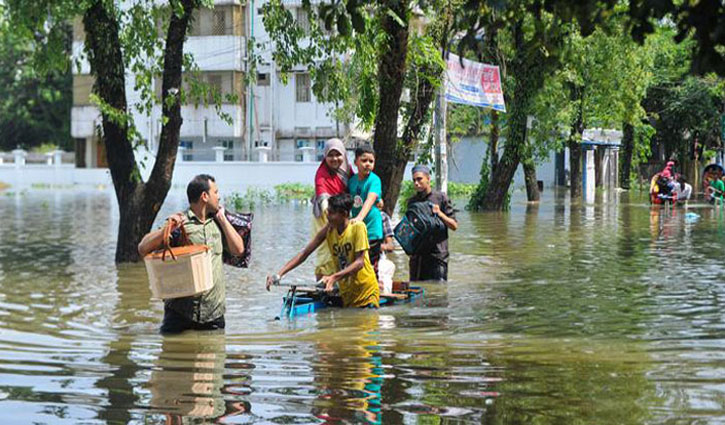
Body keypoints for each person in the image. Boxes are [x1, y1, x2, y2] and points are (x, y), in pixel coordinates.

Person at [138, 174, 245, 334]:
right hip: (180, 314)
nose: (219, 197)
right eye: (216, 192)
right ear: (205, 196)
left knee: (214, 357)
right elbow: (142, 248)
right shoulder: (179, 223)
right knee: (173, 356)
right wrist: (165, 231)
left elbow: (238, 250)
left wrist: (224, 221)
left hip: (213, 314)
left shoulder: (219, 223)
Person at [266, 193, 380, 309]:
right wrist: (279, 274)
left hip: (366, 293)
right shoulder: (329, 230)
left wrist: (334, 277)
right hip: (348, 295)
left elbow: (359, 262)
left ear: (344, 214)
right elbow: (304, 254)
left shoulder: (358, 228)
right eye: (328, 212)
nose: (328, 216)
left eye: (332, 213)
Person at [406, 165, 458, 281]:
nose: (416, 183)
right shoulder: (412, 202)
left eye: (419, 179)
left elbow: (454, 225)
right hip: (417, 257)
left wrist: (439, 213)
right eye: (414, 180)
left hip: (438, 256)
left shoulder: (441, 198)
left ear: (428, 179)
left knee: (438, 292)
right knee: (417, 292)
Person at [312, 138, 351, 279]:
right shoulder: (321, 174)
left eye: (338, 154)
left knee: (343, 246)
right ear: (325, 157)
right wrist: (331, 216)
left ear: (344, 155)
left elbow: (354, 188)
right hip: (326, 214)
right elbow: (323, 198)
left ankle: (340, 279)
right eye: (330, 155)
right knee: (325, 248)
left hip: (342, 213)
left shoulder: (347, 169)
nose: (335, 159)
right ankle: (322, 279)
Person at [348, 145, 384, 270]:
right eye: (364, 161)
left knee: (371, 267)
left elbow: (371, 199)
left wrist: (359, 218)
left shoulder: (375, 180)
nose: (367, 164)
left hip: (372, 230)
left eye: (371, 161)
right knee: (356, 266)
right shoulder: (351, 181)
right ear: (355, 162)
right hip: (357, 231)